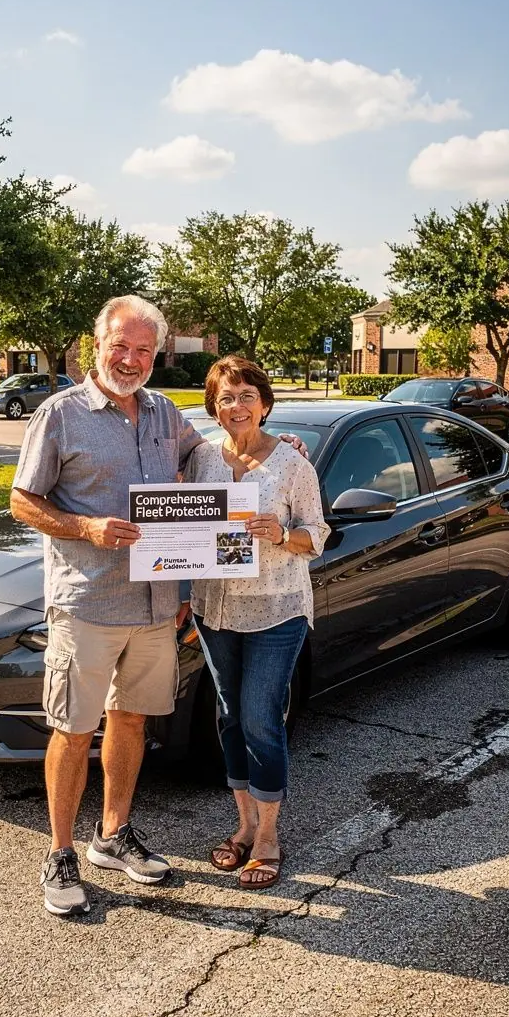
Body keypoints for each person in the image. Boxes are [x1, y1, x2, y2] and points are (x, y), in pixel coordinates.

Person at [10, 297, 307, 918]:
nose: (132, 358)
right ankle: (61, 852)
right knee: (73, 728)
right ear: (97, 344)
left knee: (131, 721)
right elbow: (23, 502)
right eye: (122, 345)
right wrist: (87, 529)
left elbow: (215, 464)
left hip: (152, 605)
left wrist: (283, 448)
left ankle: (112, 835)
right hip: (89, 600)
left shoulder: (164, 414)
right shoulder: (59, 415)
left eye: (145, 350)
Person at [185, 356, 329, 891]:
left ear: (265, 404)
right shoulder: (201, 458)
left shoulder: (292, 465)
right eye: (226, 397)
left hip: (277, 609)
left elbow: (317, 535)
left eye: (247, 394)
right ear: (214, 409)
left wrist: (279, 534)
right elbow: (180, 526)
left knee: (261, 718)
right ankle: (243, 825)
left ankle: (268, 836)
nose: (237, 405)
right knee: (228, 718)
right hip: (215, 609)